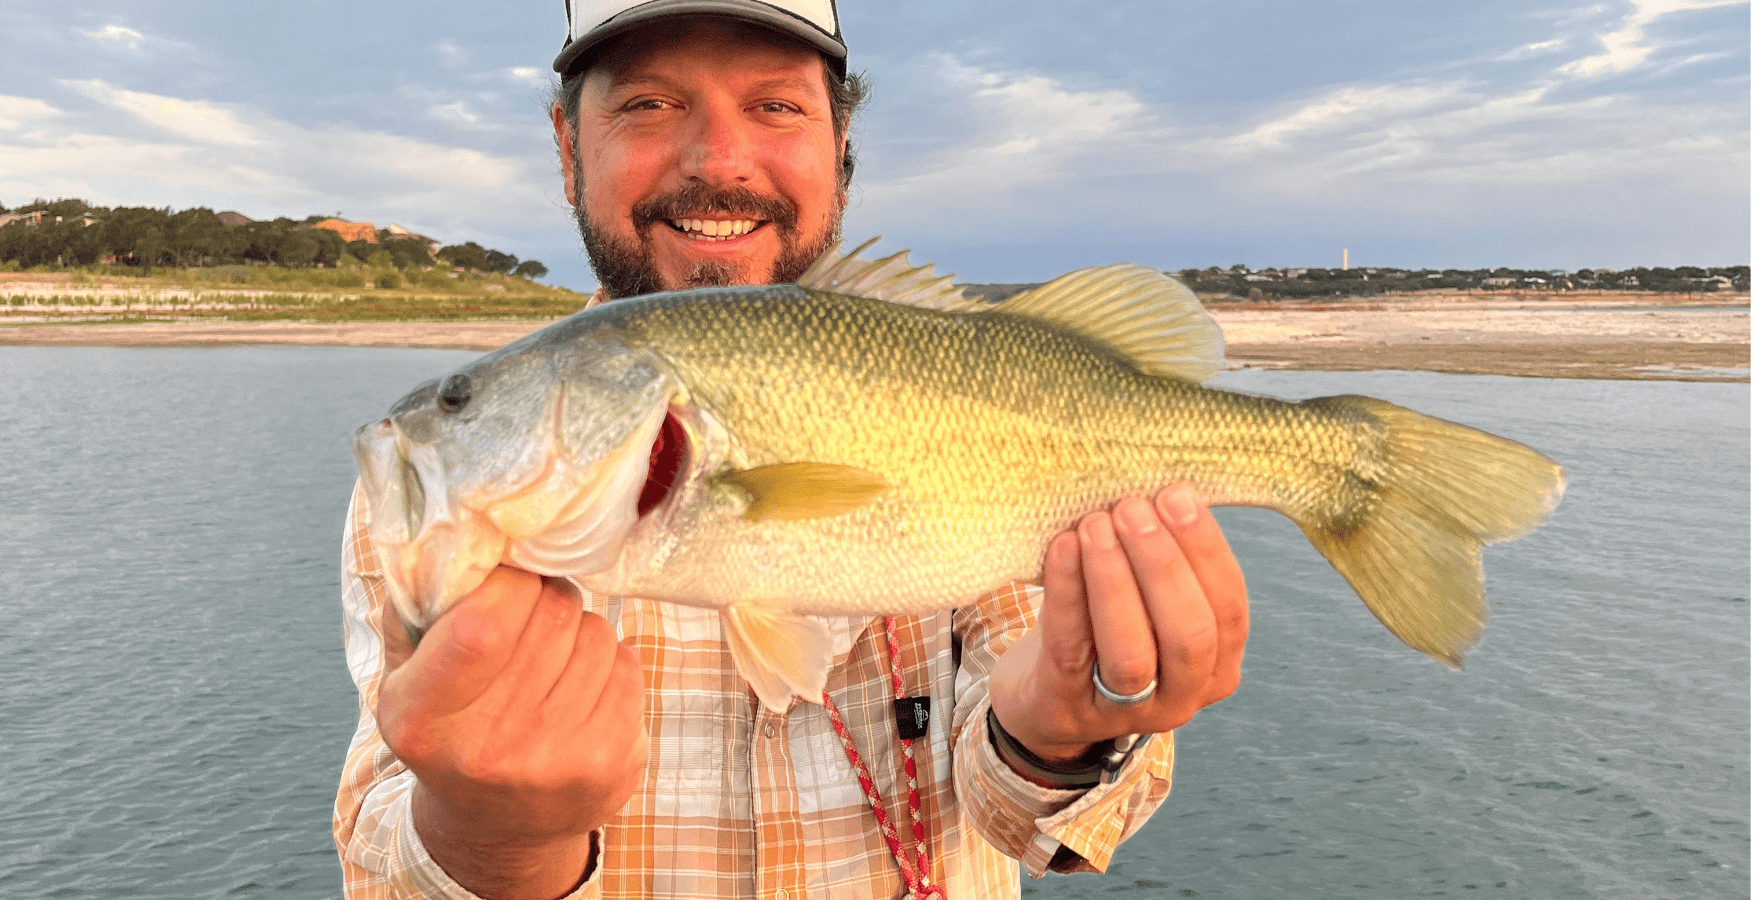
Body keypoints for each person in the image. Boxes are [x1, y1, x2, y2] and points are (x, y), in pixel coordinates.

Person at [333, 2, 1250, 897]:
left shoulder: (970, 383)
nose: (717, 159)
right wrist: (494, 837)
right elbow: (381, 845)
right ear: (571, 152)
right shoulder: (443, 492)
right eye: (649, 105)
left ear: (840, 157)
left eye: (775, 106)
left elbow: (1029, 821)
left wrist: (1058, 728)